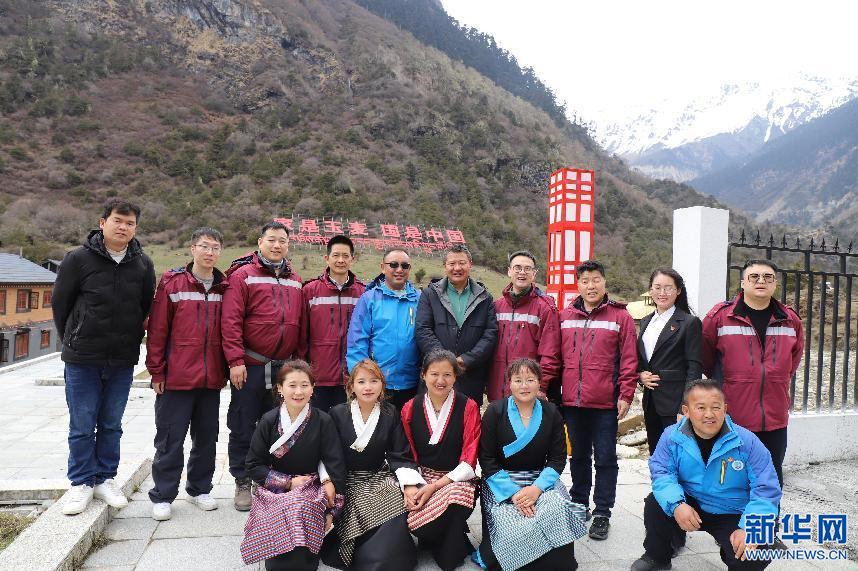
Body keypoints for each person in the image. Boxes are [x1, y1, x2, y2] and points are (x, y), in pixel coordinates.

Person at [51, 198, 156, 516]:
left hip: (122, 358)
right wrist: (73, 339)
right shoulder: (78, 259)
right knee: (82, 424)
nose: (123, 227)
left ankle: (105, 479)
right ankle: (81, 482)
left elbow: (145, 307)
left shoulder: (142, 263)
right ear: (102, 223)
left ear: (135, 228)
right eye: (117, 221)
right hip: (82, 358)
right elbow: (60, 304)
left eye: (130, 223)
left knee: (111, 424)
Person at [702, 259, 803, 548]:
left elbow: (793, 360)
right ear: (743, 282)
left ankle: (765, 533)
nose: (761, 281)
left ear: (775, 283)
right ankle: (732, 532)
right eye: (754, 276)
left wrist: (772, 380)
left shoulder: (790, 320)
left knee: (770, 475)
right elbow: (707, 358)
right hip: (734, 415)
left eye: (768, 277)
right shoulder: (720, 318)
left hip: (774, 415)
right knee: (732, 474)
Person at [631, 378, 780, 571]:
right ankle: (657, 557)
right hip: (691, 502)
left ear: (724, 409)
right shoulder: (671, 436)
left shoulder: (747, 442)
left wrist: (750, 529)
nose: (709, 414)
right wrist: (677, 505)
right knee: (656, 503)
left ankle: (733, 553)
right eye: (701, 408)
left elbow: (766, 490)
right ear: (686, 411)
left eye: (716, 407)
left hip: (732, 510)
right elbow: (662, 473)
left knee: (757, 550)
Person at [145, 227, 229, 521]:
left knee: (206, 438)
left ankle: (199, 488)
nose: (209, 252)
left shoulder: (224, 286)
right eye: (204, 246)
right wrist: (157, 371)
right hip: (176, 377)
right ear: (193, 249)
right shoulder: (173, 283)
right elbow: (157, 330)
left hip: (211, 378)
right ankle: (163, 494)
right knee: (170, 439)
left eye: (215, 248)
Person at [222, 220, 304, 511]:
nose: (276, 245)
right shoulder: (243, 276)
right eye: (271, 240)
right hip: (250, 364)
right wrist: (235, 360)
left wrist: (298, 364)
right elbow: (230, 321)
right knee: (243, 424)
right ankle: (243, 480)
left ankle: (270, 478)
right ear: (260, 242)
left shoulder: (295, 280)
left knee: (278, 426)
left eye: (282, 240)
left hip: (283, 368)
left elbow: (300, 324)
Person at [475, 358, 587, 571]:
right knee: (508, 516)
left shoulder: (551, 412)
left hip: (540, 479)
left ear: (539, 383)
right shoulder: (495, 411)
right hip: (502, 481)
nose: (524, 386)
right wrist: (514, 494)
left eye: (530, 380)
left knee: (558, 505)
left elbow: (557, 459)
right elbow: (487, 459)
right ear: (509, 383)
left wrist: (536, 489)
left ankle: (554, 559)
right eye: (518, 380)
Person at [241, 360, 346, 571]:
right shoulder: (269, 420)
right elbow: (253, 464)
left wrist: (331, 496)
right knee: (286, 509)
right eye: (292, 385)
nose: (298, 392)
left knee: (300, 506)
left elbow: (335, 462)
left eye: (304, 385)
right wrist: (288, 483)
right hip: (276, 487)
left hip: (311, 484)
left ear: (313, 388)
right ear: (280, 388)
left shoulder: (323, 420)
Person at [559, 259, 637, 540]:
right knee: (578, 456)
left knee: (605, 458)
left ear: (604, 282)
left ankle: (603, 511)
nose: (590, 286)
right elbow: (556, 357)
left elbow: (629, 358)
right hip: (572, 402)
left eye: (595, 280)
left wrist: (626, 393)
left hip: (605, 402)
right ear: (578, 285)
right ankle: (579, 503)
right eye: (585, 281)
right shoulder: (564, 316)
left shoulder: (620, 317)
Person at [322, 359, 420, 571]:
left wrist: (409, 484)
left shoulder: (390, 413)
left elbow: (399, 452)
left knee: (395, 495)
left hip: (378, 474)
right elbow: (328, 453)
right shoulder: (337, 414)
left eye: (374, 381)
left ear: (382, 385)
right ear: (351, 386)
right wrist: (329, 481)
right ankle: (369, 555)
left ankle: (391, 552)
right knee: (358, 502)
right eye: (361, 381)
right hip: (346, 478)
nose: (368, 387)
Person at [400, 350, 481, 571]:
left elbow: (470, 457)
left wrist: (436, 486)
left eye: (447, 374)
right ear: (423, 375)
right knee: (407, 501)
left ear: (455, 376)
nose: (440, 380)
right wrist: (413, 485)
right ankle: (443, 538)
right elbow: (405, 453)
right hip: (421, 476)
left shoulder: (469, 407)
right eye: (434, 374)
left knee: (456, 497)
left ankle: (441, 542)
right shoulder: (410, 408)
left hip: (455, 478)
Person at [415, 244, 498, 403]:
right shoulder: (430, 294)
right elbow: (423, 329)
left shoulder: (485, 298)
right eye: (452, 263)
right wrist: (445, 360)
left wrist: (468, 359)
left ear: (470, 264)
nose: (457, 268)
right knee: (432, 415)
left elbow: (490, 334)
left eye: (462, 263)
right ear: (445, 266)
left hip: (470, 375)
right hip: (436, 373)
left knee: (467, 416)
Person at [346, 248, 421, 411]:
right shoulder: (369, 299)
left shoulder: (420, 299)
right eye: (393, 265)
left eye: (404, 266)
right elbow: (357, 343)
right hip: (377, 385)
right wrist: (363, 380)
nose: (399, 270)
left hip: (412, 383)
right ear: (383, 267)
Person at [638, 268, 703, 454]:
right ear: (650, 290)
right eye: (657, 287)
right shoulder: (645, 322)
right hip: (651, 401)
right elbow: (641, 360)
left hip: (676, 402)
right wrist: (640, 375)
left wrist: (686, 406)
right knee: (657, 454)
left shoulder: (689, 323)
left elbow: (694, 367)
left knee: (679, 454)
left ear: (678, 291)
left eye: (668, 288)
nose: (662, 293)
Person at [301, 235, 365, 412]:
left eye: (345, 256)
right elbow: (302, 335)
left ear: (353, 259)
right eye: (336, 255)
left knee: (345, 424)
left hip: (351, 376)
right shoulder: (310, 290)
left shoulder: (363, 293)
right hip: (318, 375)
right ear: (327, 258)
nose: (340, 260)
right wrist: (303, 369)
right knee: (317, 422)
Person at [487, 250, 560, 403]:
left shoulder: (545, 308)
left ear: (534, 274)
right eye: (517, 268)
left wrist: (541, 386)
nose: (522, 272)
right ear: (509, 271)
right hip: (496, 390)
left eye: (527, 269)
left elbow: (550, 354)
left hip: (527, 391)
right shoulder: (496, 306)